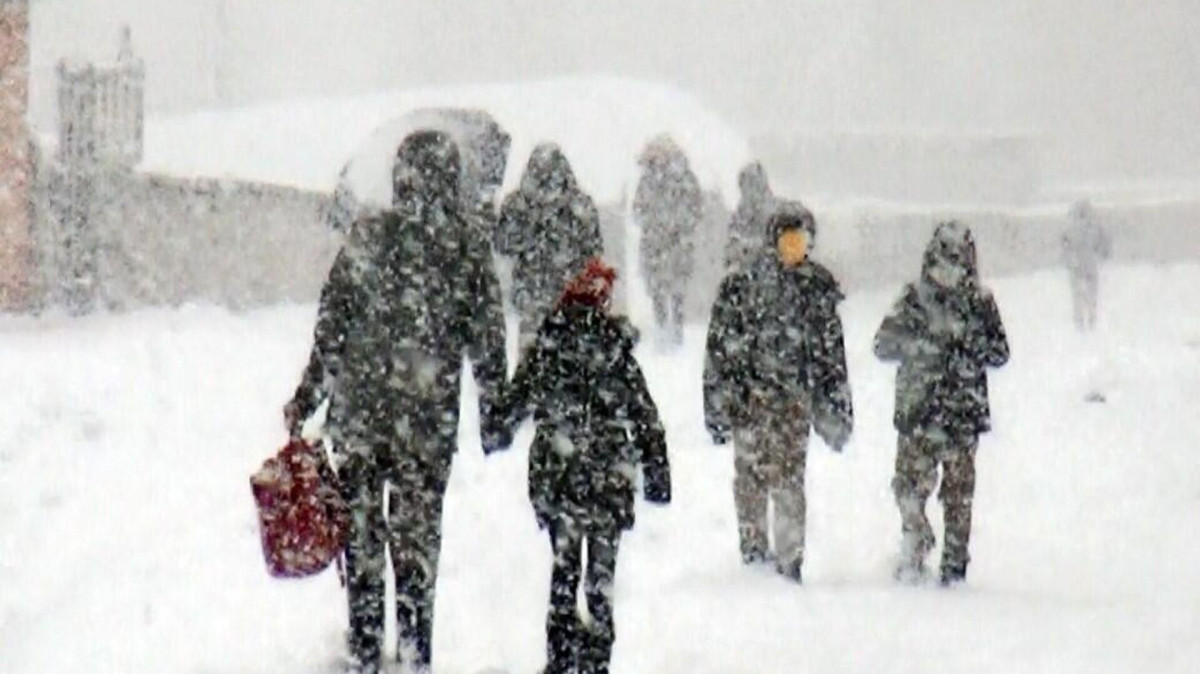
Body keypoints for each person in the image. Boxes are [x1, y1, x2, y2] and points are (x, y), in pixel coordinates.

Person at [285, 130, 509, 673]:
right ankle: (414, 653)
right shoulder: (465, 251)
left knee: (362, 542)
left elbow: (332, 329)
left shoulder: (368, 238)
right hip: (426, 425)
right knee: (416, 548)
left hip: (360, 421)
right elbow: (487, 340)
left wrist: (308, 397)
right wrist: (494, 411)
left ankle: (365, 649)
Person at [495, 258, 672, 674]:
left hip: (559, 480)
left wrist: (497, 428)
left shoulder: (549, 346)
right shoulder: (615, 350)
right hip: (609, 479)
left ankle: (560, 659)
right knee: (601, 580)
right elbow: (645, 415)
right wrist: (657, 472)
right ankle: (596, 660)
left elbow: (513, 404)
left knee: (564, 570)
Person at [703, 201, 853, 582]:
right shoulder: (742, 286)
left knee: (788, 481)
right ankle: (753, 555)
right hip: (750, 401)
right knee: (750, 480)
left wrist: (835, 406)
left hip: (792, 405)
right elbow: (719, 350)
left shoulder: (816, 289)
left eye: (801, 242)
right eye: (788, 242)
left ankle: (789, 562)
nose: (794, 251)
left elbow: (831, 357)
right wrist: (718, 403)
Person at [873, 221, 1009, 586]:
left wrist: (966, 347)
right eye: (943, 261)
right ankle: (915, 545)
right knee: (907, 488)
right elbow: (882, 344)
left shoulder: (980, 303)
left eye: (957, 262)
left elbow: (999, 352)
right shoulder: (913, 298)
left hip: (962, 414)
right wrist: (922, 345)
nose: (949, 271)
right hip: (919, 412)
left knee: (958, 497)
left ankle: (954, 566)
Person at [495, 143, 604, 349]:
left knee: (532, 364)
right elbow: (594, 250)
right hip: (568, 300)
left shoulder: (518, 204)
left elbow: (503, 244)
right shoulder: (580, 206)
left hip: (535, 297)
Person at [632, 135, 703, 347]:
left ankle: (675, 329)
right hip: (659, 244)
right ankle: (663, 327)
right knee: (659, 289)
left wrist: (672, 225)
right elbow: (638, 210)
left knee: (675, 289)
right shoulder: (649, 180)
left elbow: (695, 208)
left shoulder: (682, 179)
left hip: (673, 243)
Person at [1060, 199, 1111, 331]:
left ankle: (1080, 321)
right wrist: (1103, 255)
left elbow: (1065, 246)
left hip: (1076, 265)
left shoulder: (1069, 227)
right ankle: (1091, 319)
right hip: (1089, 264)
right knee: (1091, 294)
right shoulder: (1095, 226)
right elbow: (1103, 243)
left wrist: (1067, 261)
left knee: (1078, 295)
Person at [723, 161, 777, 272]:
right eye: (746, 186)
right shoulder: (738, 216)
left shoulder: (776, 213)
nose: (750, 192)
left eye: (754, 185)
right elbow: (732, 245)